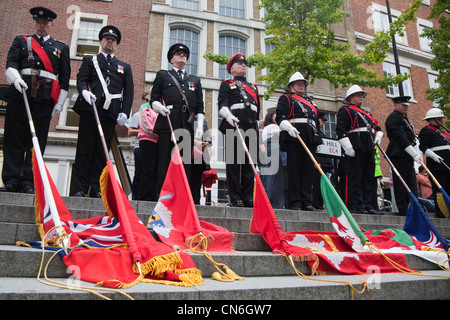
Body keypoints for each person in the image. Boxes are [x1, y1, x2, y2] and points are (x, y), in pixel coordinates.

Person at [1, 7, 70, 194]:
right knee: (14, 137)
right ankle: (11, 179)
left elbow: (64, 80)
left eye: (45, 23)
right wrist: (15, 79)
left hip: (44, 98)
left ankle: (28, 180)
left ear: (52, 24)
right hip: (20, 94)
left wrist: (60, 103)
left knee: (37, 140)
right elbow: (11, 65)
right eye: (38, 23)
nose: (41, 26)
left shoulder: (61, 48)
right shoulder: (22, 41)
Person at [72, 25, 134, 198]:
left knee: (102, 151)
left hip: (110, 113)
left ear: (117, 45)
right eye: (107, 39)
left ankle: (97, 188)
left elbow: (128, 92)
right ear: (101, 41)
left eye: (113, 40)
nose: (110, 42)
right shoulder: (90, 60)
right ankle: (80, 188)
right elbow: (81, 79)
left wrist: (125, 112)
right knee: (84, 149)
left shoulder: (124, 67)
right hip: (90, 110)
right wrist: (84, 91)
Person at [150, 43, 204, 198]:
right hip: (168, 121)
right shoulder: (163, 75)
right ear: (171, 59)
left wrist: (199, 126)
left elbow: (200, 107)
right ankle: (163, 195)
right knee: (165, 162)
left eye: (185, 54)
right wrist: (159, 107)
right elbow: (153, 99)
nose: (182, 56)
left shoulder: (194, 80)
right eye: (179, 53)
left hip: (186, 124)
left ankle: (181, 196)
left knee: (185, 163)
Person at [218, 53, 260, 207]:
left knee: (250, 163)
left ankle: (247, 196)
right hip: (234, 124)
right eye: (239, 63)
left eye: (244, 63)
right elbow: (222, 105)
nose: (243, 65)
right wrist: (229, 117)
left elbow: (257, 110)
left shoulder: (253, 87)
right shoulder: (227, 84)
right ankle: (235, 197)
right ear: (232, 69)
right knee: (234, 163)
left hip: (251, 126)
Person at [276, 72, 322, 211]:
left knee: (308, 171)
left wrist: (318, 140)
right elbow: (280, 117)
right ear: (291, 87)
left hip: (310, 136)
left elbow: (316, 122)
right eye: (298, 83)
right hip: (294, 135)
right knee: (294, 170)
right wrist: (289, 128)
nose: (301, 85)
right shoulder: (286, 99)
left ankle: (306, 201)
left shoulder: (311, 103)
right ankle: (294, 201)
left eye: (303, 83)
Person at [336, 85, 382, 215]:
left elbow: (377, 127)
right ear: (350, 97)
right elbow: (341, 130)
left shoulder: (367, 114)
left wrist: (378, 135)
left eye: (362, 95)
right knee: (356, 177)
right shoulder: (345, 111)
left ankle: (369, 204)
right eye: (358, 95)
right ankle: (358, 204)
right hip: (356, 146)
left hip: (368, 147)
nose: (361, 97)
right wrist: (348, 147)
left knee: (369, 178)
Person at [385, 96, 419, 216]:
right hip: (398, 153)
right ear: (396, 105)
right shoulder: (393, 118)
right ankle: (403, 208)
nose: (406, 108)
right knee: (401, 182)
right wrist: (414, 153)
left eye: (406, 105)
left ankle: (413, 206)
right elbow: (401, 138)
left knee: (411, 182)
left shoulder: (403, 118)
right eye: (404, 105)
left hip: (406, 153)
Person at [418, 107, 450, 218]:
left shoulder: (442, 132)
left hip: (447, 165)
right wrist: (434, 156)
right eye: (439, 118)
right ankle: (441, 211)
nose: (441, 121)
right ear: (431, 120)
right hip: (437, 165)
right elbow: (423, 147)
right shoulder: (427, 130)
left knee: (448, 188)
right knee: (440, 188)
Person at [137, 92, 159, 201]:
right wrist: (160, 134)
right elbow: (145, 125)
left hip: (158, 141)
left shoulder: (160, 107)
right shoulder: (144, 107)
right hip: (147, 140)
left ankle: (154, 196)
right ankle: (144, 197)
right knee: (148, 169)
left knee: (156, 170)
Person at [126, 92, 148, 199]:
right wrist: (144, 131)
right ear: (143, 101)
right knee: (139, 173)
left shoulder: (155, 115)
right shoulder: (137, 115)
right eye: (147, 101)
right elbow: (130, 132)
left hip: (151, 148)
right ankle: (135, 198)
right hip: (139, 147)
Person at [261, 112, 285, 209]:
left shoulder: (266, 128)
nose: (277, 118)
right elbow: (280, 135)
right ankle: (275, 202)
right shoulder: (273, 127)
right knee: (276, 179)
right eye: (276, 117)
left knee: (268, 177)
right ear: (271, 118)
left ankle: (267, 200)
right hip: (275, 149)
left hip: (269, 151)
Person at [311, 113, 334, 210]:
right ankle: (316, 204)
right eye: (322, 120)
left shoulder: (320, 133)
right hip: (317, 163)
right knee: (316, 186)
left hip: (324, 164)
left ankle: (319, 204)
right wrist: (315, 162)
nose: (324, 123)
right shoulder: (314, 132)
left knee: (321, 186)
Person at [189, 117, 212, 204]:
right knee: (189, 178)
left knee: (197, 179)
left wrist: (206, 142)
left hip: (200, 154)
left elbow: (207, 135)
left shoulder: (202, 120)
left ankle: (196, 200)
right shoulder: (186, 116)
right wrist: (195, 142)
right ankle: (189, 200)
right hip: (188, 152)